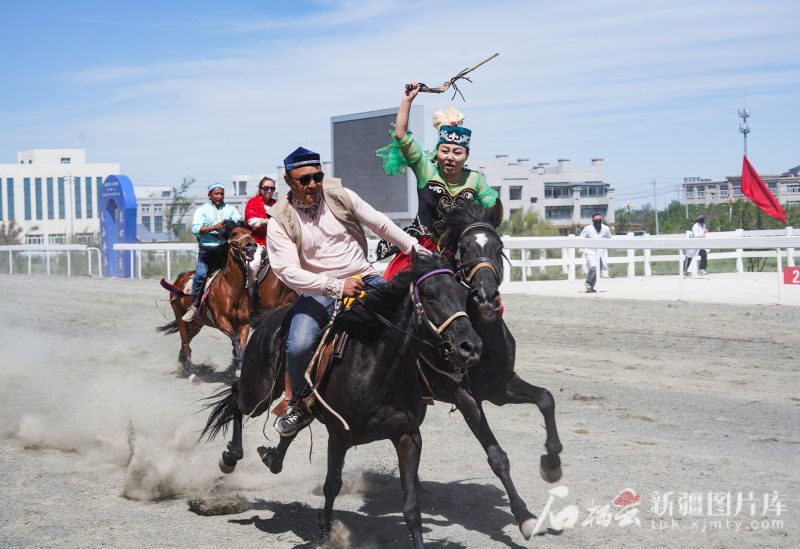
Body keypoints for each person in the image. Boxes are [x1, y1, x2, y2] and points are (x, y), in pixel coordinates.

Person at [267, 147, 428, 436]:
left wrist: (416, 251)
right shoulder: (279, 220)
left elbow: (379, 223)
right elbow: (289, 272)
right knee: (300, 344)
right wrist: (337, 286)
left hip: (365, 277)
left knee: (414, 314)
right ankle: (299, 403)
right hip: (318, 289)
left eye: (318, 177)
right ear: (289, 181)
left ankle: (429, 381)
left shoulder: (341, 195)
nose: (313, 184)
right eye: (305, 180)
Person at [375, 82, 499, 280]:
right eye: (445, 151)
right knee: (393, 290)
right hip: (419, 249)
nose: (450, 157)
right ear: (438, 152)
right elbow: (400, 135)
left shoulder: (476, 179)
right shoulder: (426, 170)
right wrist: (407, 99)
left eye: (457, 152)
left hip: (460, 254)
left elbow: (493, 214)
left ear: (466, 155)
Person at [182, 183, 244, 322]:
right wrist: (214, 227)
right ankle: (194, 307)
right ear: (209, 195)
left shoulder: (230, 209)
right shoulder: (202, 210)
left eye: (222, 194)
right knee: (200, 276)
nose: (219, 196)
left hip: (225, 251)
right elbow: (195, 229)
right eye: (216, 194)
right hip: (207, 252)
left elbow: (239, 222)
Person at [244, 176, 277, 286]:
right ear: (260, 188)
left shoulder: (277, 204)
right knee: (253, 265)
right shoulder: (252, 202)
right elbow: (251, 221)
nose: (269, 191)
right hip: (257, 244)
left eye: (272, 188)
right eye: (266, 188)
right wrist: (268, 221)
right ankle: (250, 292)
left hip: (275, 243)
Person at [579, 213, 612, 293]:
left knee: (598, 271)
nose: (598, 221)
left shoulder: (605, 228)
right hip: (590, 252)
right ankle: (588, 281)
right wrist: (580, 249)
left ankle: (591, 287)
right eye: (596, 220)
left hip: (600, 252)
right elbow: (581, 238)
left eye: (599, 220)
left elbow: (609, 238)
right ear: (593, 220)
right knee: (594, 267)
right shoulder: (587, 229)